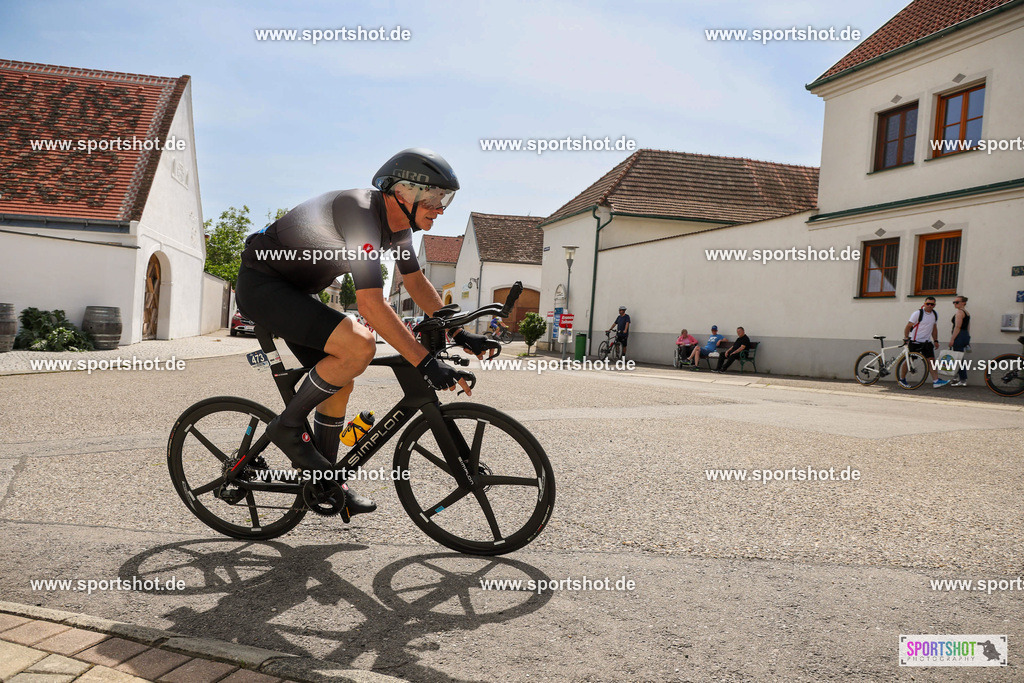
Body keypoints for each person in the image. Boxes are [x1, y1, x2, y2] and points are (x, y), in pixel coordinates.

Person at [235, 148, 499, 517]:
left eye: (446, 199)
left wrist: (458, 331)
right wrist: (424, 362)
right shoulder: (359, 213)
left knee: (341, 377)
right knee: (360, 344)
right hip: (263, 285)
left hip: (297, 293)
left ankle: (325, 482)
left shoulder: (399, 226)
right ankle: (288, 427)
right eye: (436, 197)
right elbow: (372, 305)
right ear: (403, 192)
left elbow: (415, 280)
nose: (441, 207)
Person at [902, 296, 948, 388]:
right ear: (924, 304)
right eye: (928, 304)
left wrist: (935, 340)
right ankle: (902, 379)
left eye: (932, 304)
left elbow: (934, 328)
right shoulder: (918, 313)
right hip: (915, 341)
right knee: (910, 361)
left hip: (926, 342)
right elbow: (908, 326)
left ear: (934, 305)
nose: (930, 306)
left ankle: (936, 381)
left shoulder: (935, 314)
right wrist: (906, 337)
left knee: (931, 361)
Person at [948, 295, 971, 386]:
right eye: (954, 302)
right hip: (965, 335)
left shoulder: (959, 312)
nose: (955, 304)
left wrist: (952, 339)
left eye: (957, 302)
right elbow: (968, 326)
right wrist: (968, 338)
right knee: (959, 357)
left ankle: (962, 379)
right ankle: (957, 377)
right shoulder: (967, 313)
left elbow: (957, 326)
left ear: (963, 303)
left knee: (958, 358)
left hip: (959, 335)